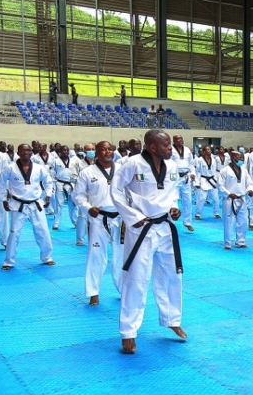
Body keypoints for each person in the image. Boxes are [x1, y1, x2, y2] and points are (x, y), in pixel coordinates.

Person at [111, 129, 186, 354]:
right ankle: (128, 332)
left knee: (173, 274)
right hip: (142, 227)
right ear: (152, 147)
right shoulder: (132, 164)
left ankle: (172, 318)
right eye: (166, 146)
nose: (170, 149)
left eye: (170, 145)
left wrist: (175, 206)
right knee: (136, 279)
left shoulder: (172, 166)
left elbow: (173, 191)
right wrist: (132, 217)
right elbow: (115, 190)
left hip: (166, 227)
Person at [73, 141, 123, 306]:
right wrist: (87, 208)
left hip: (121, 219)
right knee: (96, 257)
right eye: (103, 149)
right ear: (97, 152)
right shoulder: (87, 173)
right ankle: (93, 292)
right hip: (98, 219)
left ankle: (124, 290)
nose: (107, 152)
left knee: (122, 256)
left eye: (110, 149)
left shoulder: (123, 170)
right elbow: (78, 195)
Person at [0, 144, 55, 270]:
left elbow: (48, 181)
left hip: (36, 204)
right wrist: (3, 199)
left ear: (31, 153)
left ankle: (47, 257)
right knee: (14, 233)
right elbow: (1, 184)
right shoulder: (10, 168)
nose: (25, 152)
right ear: (18, 152)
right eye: (23, 150)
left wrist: (48, 195)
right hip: (18, 205)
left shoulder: (39, 168)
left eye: (28, 150)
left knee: (43, 231)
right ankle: (9, 260)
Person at [218, 150, 253, 249]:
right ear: (233, 158)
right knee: (229, 222)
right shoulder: (224, 171)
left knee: (243, 221)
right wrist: (228, 194)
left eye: (242, 158)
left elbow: (249, 182)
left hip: (242, 198)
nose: (242, 159)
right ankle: (227, 243)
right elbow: (220, 185)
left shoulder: (244, 170)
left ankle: (241, 241)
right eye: (240, 158)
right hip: (229, 200)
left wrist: (250, 190)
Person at [48, 145, 78, 232]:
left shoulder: (74, 161)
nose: (65, 152)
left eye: (67, 150)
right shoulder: (55, 161)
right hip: (59, 183)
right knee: (59, 204)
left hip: (71, 184)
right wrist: (53, 184)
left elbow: (77, 173)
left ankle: (75, 221)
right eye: (63, 150)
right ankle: (56, 223)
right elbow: (52, 173)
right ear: (60, 152)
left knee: (73, 204)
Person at [170, 135, 196, 232]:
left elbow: (191, 163)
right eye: (177, 139)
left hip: (186, 177)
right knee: (173, 199)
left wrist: (192, 173)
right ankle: (172, 221)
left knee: (188, 200)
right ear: (174, 141)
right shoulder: (170, 150)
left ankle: (188, 222)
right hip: (174, 176)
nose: (180, 140)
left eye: (181, 139)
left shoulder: (187, 150)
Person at [193, 146, 221, 220]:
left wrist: (217, 181)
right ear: (204, 152)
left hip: (212, 180)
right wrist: (197, 183)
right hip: (203, 180)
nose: (209, 151)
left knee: (216, 199)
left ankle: (216, 212)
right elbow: (197, 171)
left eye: (210, 149)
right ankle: (198, 214)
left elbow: (215, 171)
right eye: (207, 149)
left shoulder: (214, 160)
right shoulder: (200, 160)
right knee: (201, 199)